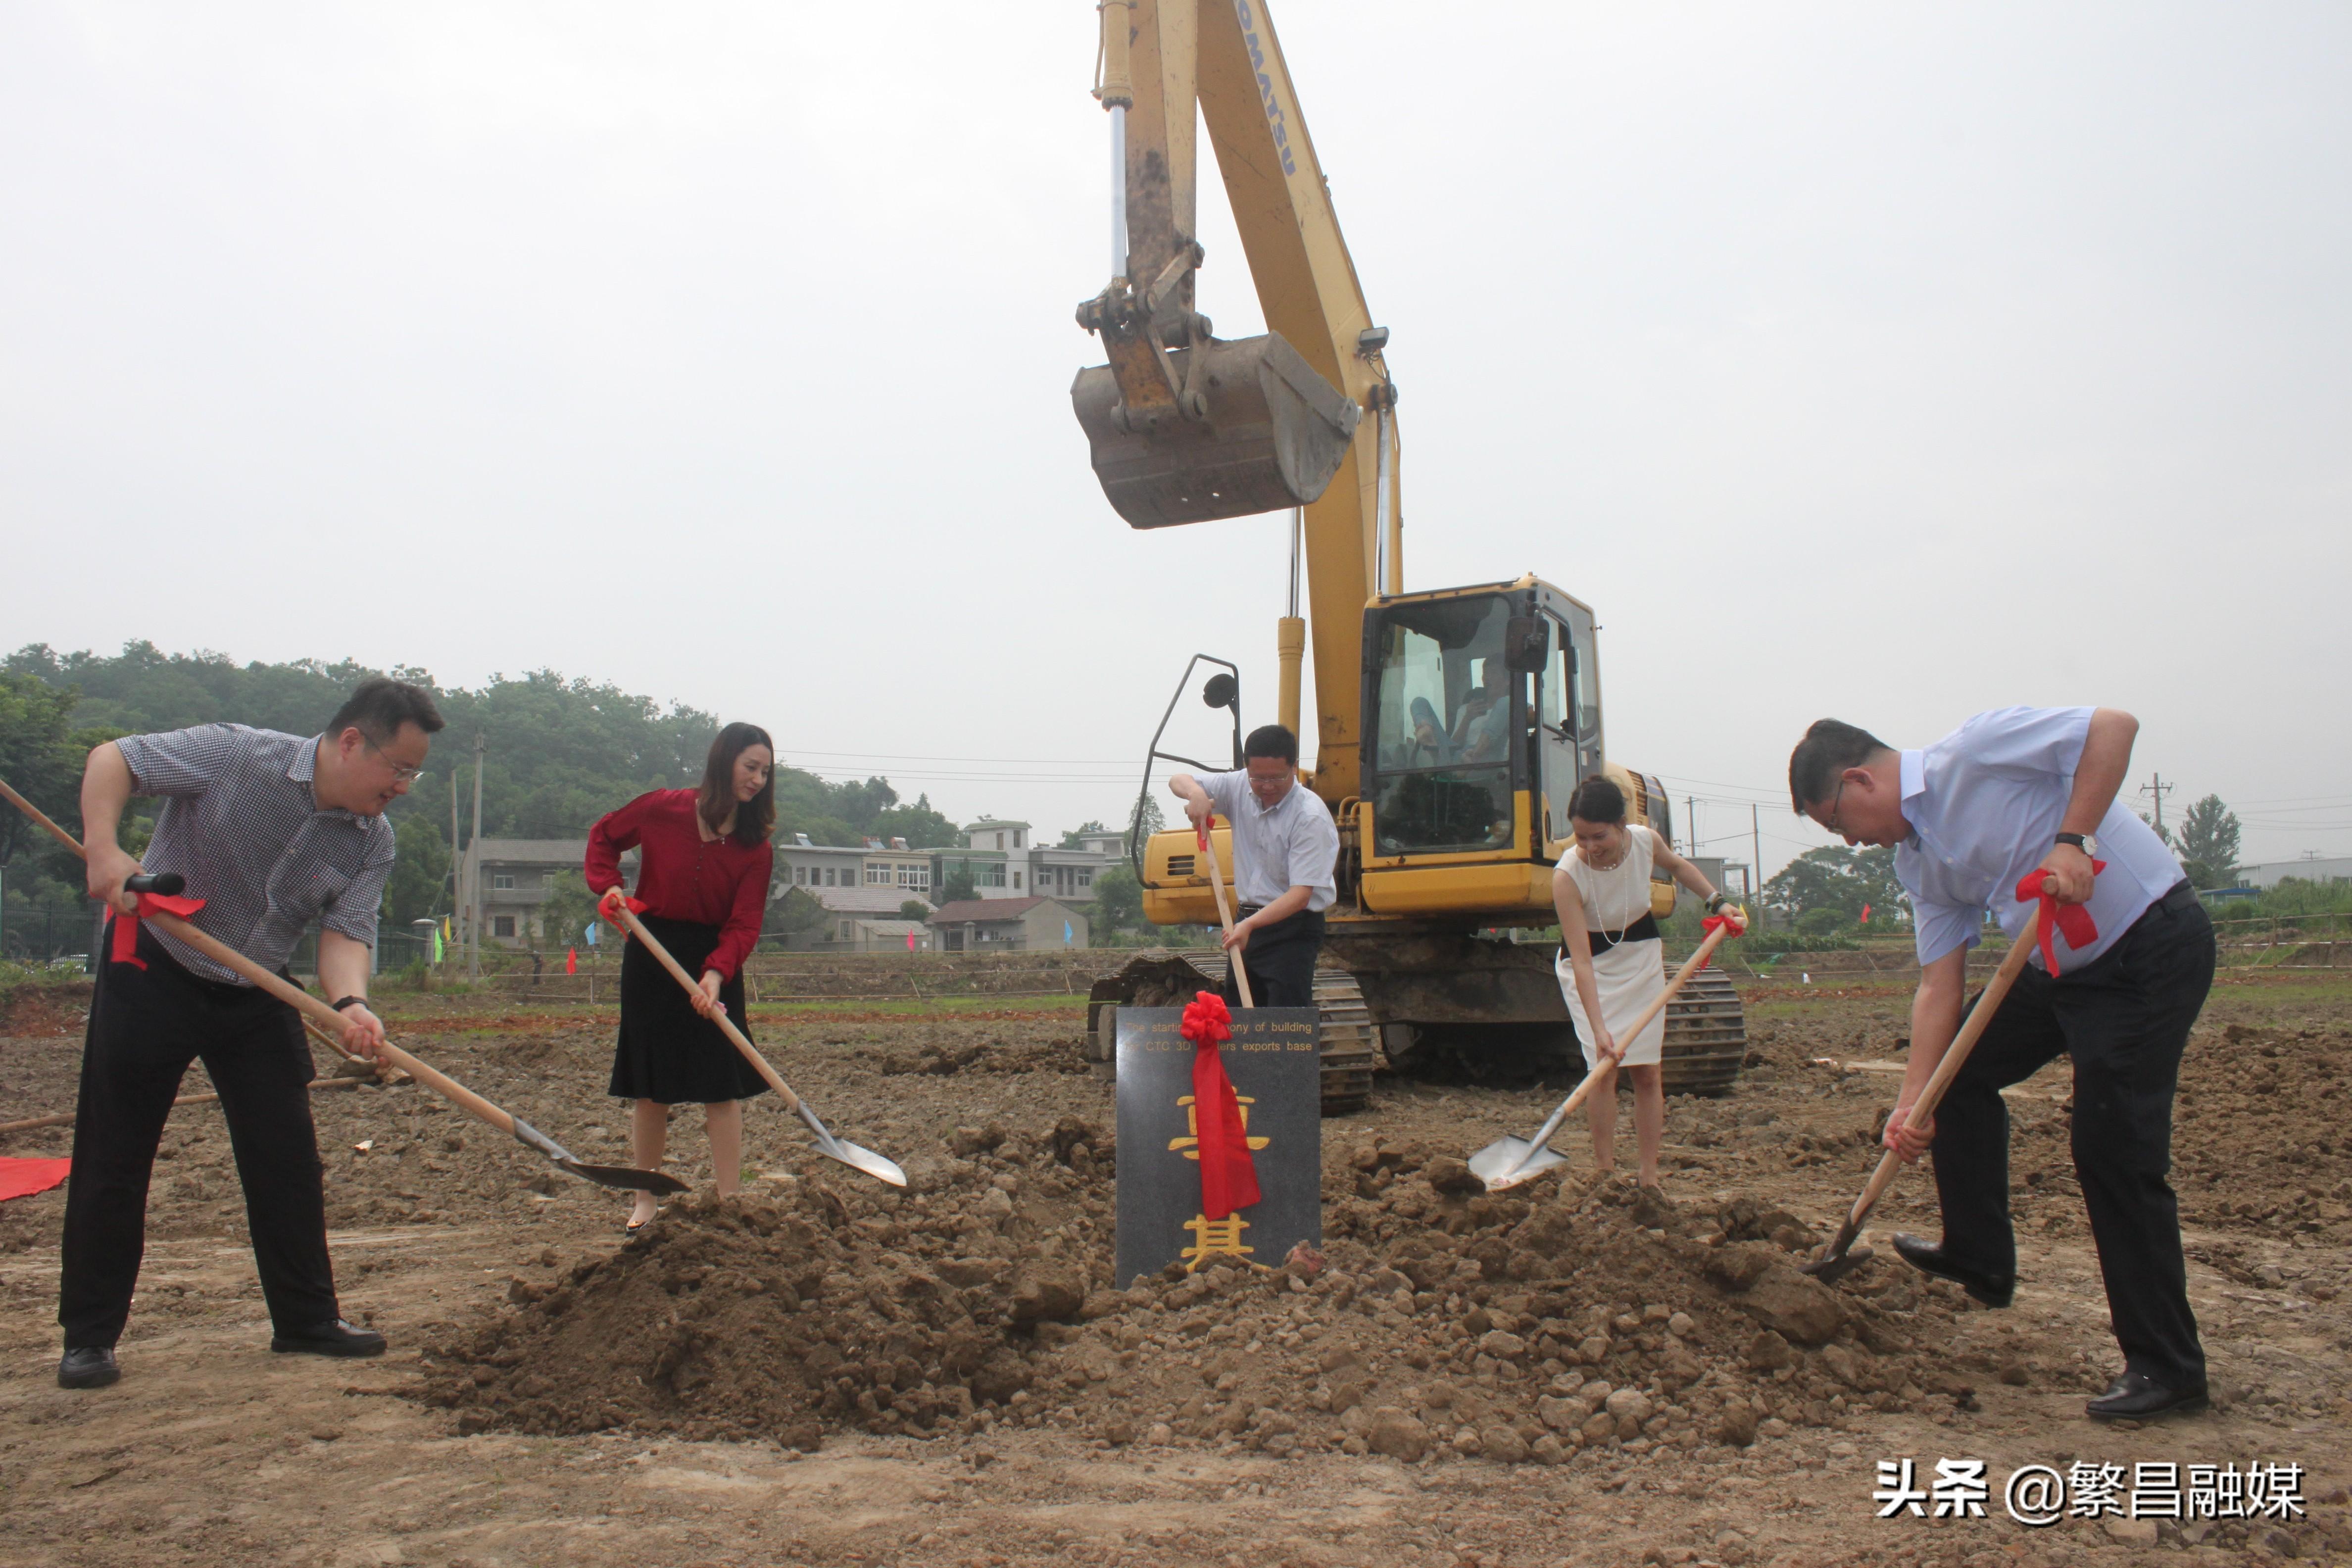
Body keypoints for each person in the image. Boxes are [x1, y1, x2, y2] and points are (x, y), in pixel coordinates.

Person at [1789, 708, 2213, 1421]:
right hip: (2058, 970)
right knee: (1955, 1071)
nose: (1852, 842)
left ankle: (2167, 1365)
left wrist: (2072, 841)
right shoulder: (1916, 862)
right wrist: (1912, 1103)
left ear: (1860, 779)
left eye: (1839, 823)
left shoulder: (1977, 753)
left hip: (2147, 947)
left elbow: (2114, 727)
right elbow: (1938, 988)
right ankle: (1978, 1254)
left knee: (2112, 1147)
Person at [59, 677, 441, 1390]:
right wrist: (104, 850)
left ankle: (305, 1320)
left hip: (256, 986)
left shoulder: (371, 841)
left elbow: (346, 936)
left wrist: (352, 1003)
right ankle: (89, 1335)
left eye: (413, 774)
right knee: (117, 1152)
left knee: (286, 1155)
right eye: (399, 769)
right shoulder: (235, 755)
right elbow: (114, 759)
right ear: (353, 741)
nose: (404, 787)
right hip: (157, 964)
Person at [587, 723, 776, 1231]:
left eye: (765, 771)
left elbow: (745, 922)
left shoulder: (755, 847)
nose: (757, 779)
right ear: (724, 762)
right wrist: (610, 890)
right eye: (750, 767)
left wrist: (716, 974)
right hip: (651, 951)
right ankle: (645, 1199)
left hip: (716, 958)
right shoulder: (660, 808)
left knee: (722, 1086)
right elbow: (604, 838)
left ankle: (731, 1199)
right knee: (651, 1087)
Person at [1550, 776, 1741, 1188]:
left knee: (1648, 1072)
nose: (1590, 847)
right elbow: (1581, 961)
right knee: (1602, 1071)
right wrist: (1600, 1028)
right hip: (1591, 970)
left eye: (1598, 836)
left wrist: (1720, 903)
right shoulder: (1566, 876)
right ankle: (1605, 1173)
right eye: (1580, 837)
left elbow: (1677, 866)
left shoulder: (1644, 841)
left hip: (1640, 958)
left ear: (1621, 824)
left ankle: (1649, 1177)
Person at [1169, 724, 1339, 1009]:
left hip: (1291, 929)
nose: (1267, 787)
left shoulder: (1310, 817)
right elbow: (1178, 778)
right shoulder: (1238, 785)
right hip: (1245, 923)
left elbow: (1301, 894)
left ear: (1294, 768)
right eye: (1258, 778)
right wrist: (1196, 795)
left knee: (1286, 1023)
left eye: (1277, 778)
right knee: (1241, 1021)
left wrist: (1249, 925)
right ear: (1247, 769)